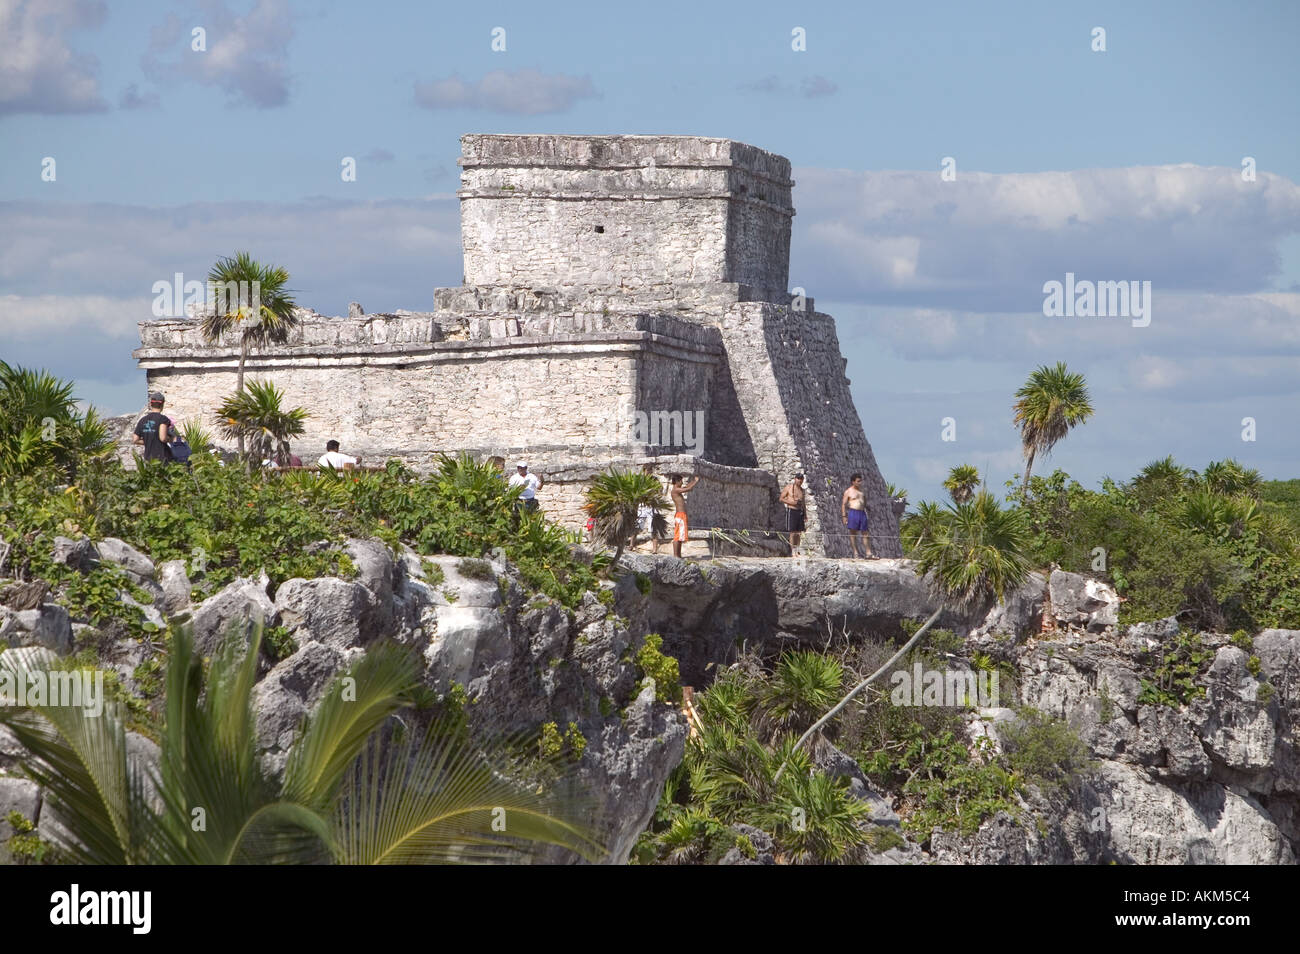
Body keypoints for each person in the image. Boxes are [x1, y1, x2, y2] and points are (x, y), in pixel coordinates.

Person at [132, 392, 174, 464]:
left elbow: (135, 440)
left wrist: (149, 441)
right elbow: (163, 438)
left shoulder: (142, 420)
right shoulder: (163, 419)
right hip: (162, 458)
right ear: (162, 405)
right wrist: (171, 439)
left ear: (151, 404)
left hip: (148, 459)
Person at [668, 473, 700, 558]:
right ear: (677, 481)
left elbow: (686, 487)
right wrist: (696, 481)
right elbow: (689, 489)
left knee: (680, 536)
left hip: (681, 515)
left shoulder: (677, 489)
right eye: (681, 481)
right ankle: (676, 555)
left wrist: (693, 481)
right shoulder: (675, 490)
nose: (682, 483)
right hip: (680, 515)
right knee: (677, 536)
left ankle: (679, 555)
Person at [842, 473, 873, 559]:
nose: (860, 483)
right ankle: (855, 552)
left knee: (865, 532)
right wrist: (844, 516)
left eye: (860, 481)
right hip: (853, 512)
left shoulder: (862, 492)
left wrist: (869, 508)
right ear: (853, 482)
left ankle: (868, 552)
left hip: (862, 513)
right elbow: (844, 504)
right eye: (858, 481)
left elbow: (865, 502)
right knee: (853, 533)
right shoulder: (848, 491)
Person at [780, 472, 807, 556]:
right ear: (795, 479)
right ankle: (792, 550)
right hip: (792, 510)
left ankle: (797, 550)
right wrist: (791, 502)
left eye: (801, 479)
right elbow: (781, 498)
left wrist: (805, 514)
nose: (799, 480)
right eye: (798, 478)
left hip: (800, 512)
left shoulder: (802, 490)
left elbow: (803, 503)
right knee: (792, 532)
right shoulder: (789, 488)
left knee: (799, 532)